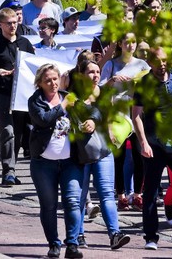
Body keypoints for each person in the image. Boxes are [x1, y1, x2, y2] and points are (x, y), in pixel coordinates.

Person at [132, 47, 172, 251]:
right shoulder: (144, 83)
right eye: (157, 62)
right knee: (151, 192)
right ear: (150, 63)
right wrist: (143, 142)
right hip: (154, 145)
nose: (162, 65)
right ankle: (151, 237)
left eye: (165, 61)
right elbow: (135, 115)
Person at [72, 59, 131, 251]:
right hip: (80, 153)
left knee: (107, 194)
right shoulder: (72, 97)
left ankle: (115, 234)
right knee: (80, 197)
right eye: (91, 72)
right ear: (81, 75)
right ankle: (78, 234)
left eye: (98, 72)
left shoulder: (105, 95)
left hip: (103, 151)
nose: (96, 75)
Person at [28, 63, 84, 259]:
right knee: (49, 205)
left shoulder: (69, 97)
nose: (52, 83)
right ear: (40, 84)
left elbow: (91, 112)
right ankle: (54, 244)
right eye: (48, 80)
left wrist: (92, 121)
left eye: (55, 78)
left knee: (72, 202)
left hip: (70, 161)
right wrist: (62, 106)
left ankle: (73, 245)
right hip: (44, 163)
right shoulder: (35, 101)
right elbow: (43, 120)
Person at [0, 7, 36, 187]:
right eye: (9, 23)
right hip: (2, 93)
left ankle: (13, 168)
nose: (13, 26)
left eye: (15, 22)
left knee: (18, 134)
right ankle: (8, 171)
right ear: (1, 25)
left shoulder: (25, 43)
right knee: (7, 131)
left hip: (21, 94)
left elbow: (33, 66)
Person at [100, 32, 150, 213]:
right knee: (118, 157)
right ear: (120, 44)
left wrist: (139, 84)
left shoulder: (142, 65)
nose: (130, 45)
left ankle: (138, 195)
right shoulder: (111, 64)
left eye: (134, 42)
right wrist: (112, 81)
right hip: (117, 114)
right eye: (126, 42)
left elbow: (151, 88)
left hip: (137, 112)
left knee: (140, 155)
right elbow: (99, 88)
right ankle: (121, 195)